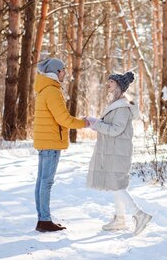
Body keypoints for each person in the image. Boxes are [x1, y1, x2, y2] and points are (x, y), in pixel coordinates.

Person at [86, 71, 152, 235]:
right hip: (113, 151)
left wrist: (96, 124)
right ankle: (120, 219)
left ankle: (139, 214)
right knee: (115, 184)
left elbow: (115, 130)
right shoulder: (116, 104)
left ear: (119, 86)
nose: (107, 84)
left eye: (111, 82)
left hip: (117, 151)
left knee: (116, 185)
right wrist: (97, 123)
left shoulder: (122, 107)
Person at [33, 57, 88, 233]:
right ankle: (44, 220)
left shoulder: (44, 89)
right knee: (46, 182)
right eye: (63, 70)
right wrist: (84, 123)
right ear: (56, 72)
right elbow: (63, 119)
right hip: (51, 142)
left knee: (41, 181)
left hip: (45, 141)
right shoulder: (52, 91)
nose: (65, 73)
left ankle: (42, 218)